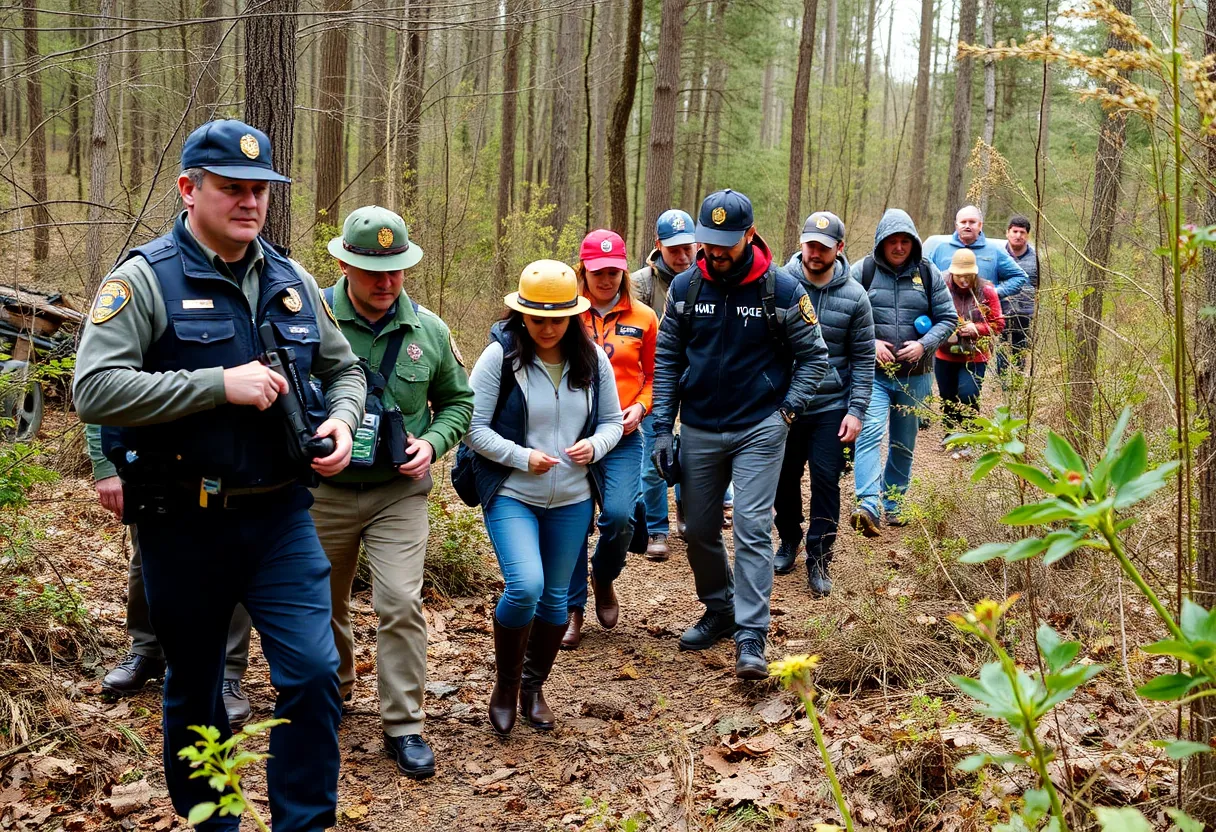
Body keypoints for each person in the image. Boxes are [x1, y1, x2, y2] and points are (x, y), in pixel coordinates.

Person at [74, 119, 365, 831]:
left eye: (259, 190)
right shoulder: (143, 280)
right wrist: (216, 384)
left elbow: (345, 367)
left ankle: (302, 822)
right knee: (197, 689)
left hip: (280, 518)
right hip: (183, 523)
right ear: (188, 189)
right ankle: (216, 823)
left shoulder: (292, 280)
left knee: (312, 673)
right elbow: (95, 389)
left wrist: (345, 422)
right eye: (232, 188)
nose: (249, 202)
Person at [313, 206, 473, 779]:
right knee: (323, 602)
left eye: (396, 270)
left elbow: (459, 403)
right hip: (322, 491)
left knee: (400, 601)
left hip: (396, 494)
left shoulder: (428, 331)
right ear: (342, 264)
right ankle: (334, 689)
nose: (385, 283)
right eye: (371, 270)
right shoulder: (311, 321)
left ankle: (404, 723)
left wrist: (432, 443)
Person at [650, 189, 829, 679]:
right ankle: (721, 608)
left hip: (760, 428)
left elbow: (815, 357)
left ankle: (752, 634)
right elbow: (666, 360)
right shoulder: (685, 290)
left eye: (727, 242)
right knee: (698, 531)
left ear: (750, 234)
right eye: (709, 241)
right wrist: (663, 429)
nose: (716, 251)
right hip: (701, 428)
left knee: (751, 528)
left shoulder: (783, 290)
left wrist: (787, 414)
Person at [464, 260, 623, 735]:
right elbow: (472, 428)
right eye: (538, 319)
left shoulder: (593, 360)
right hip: (513, 492)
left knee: (555, 602)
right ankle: (506, 687)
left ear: (574, 314)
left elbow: (614, 422)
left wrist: (594, 445)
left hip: (572, 497)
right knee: (525, 586)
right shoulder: (500, 358)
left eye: (558, 318)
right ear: (521, 315)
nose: (548, 328)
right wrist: (520, 456)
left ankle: (534, 687)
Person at [88, 423, 255, 727]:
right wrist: (105, 467)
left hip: (225, 462)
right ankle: (146, 650)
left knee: (231, 558)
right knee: (147, 559)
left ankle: (228, 673)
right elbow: (99, 397)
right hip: (150, 460)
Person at [563, 230, 658, 649]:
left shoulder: (644, 317)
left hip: (621, 435)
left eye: (614, 272)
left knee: (619, 517)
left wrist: (641, 406)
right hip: (570, 436)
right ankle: (572, 608)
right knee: (571, 524)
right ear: (583, 270)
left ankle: (603, 577)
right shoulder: (564, 314)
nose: (606, 280)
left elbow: (656, 375)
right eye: (598, 272)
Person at [772, 212, 874, 596]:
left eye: (823, 248)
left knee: (826, 482)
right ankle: (789, 538)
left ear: (839, 249)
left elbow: (864, 359)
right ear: (801, 243)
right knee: (783, 478)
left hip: (831, 405)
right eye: (810, 245)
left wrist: (857, 409)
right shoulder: (779, 285)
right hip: (785, 403)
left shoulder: (855, 297)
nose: (815, 253)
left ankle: (819, 556)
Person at [849, 208, 957, 537]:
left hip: (915, 375)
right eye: (892, 241)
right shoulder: (862, 271)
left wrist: (924, 345)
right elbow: (846, 316)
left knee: (904, 442)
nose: (898, 247)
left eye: (904, 242)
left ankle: (894, 502)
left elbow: (948, 318)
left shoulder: (928, 273)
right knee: (868, 434)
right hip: (873, 375)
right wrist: (871, 342)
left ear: (913, 243)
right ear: (881, 242)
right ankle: (867, 504)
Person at [634, 209, 695, 558]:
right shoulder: (641, 283)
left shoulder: (708, 278)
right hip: (654, 381)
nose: (682, 256)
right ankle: (657, 528)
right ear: (658, 246)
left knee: (694, 450)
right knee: (655, 455)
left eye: (688, 248)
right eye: (674, 249)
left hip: (698, 380)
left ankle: (687, 511)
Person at [935, 248, 1005, 449]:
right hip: (945, 354)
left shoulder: (987, 290)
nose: (964, 280)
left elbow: (998, 323)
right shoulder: (942, 287)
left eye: (968, 275)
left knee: (968, 394)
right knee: (947, 396)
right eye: (959, 276)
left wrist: (977, 328)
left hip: (975, 356)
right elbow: (930, 314)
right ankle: (950, 435)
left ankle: (970, 437)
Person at [923, 205, 1029, 306]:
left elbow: (1019, 277)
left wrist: (994, 293)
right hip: (944, 314)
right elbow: (921, 277)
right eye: (963, 222)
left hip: (981, 316)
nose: (967, 226)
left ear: (980, 225)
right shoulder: (938, 246)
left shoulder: (994, 249)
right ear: (956, 225)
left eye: (972, 222)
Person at [1000, 215, 1038, 377]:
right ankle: (1000, 382)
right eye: (1014, 231)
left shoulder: (1035, 258)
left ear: (1027, 235)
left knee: (1020, 347)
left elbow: (1039, 284)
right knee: (1001, 348)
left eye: (1022, 232)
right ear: (1007, 233)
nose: (1018, 236)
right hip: (1000, 310)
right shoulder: (999, 254)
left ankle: (1017, 380)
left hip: (1024, 312)